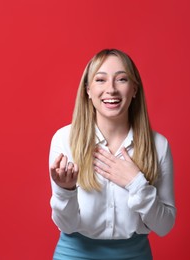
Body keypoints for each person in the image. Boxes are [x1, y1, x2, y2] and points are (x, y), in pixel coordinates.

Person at [49, 49, 176, 260]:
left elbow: (164, 226)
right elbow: (66, 225)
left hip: (135, 254)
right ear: (88, 90)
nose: (111, 89)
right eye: (100, 80)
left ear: (134, 89)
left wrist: (136, 183)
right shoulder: (64, 139)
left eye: (122, 79)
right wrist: (65, 191)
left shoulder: (158, 145)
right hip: (75, 254)